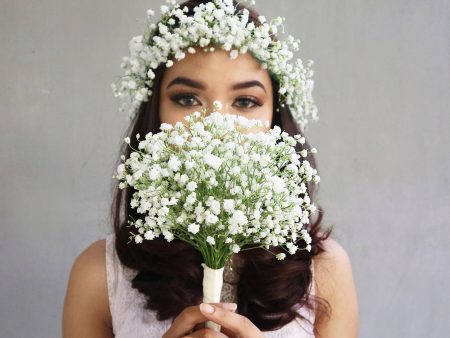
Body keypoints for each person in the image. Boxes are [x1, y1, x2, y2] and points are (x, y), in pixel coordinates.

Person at [62, 1, 359, 337]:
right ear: (155, 115)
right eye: (188, 99)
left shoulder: (324, 269)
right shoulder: (98, 276)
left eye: (245, 101)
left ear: (274, 120)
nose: (217, 123)